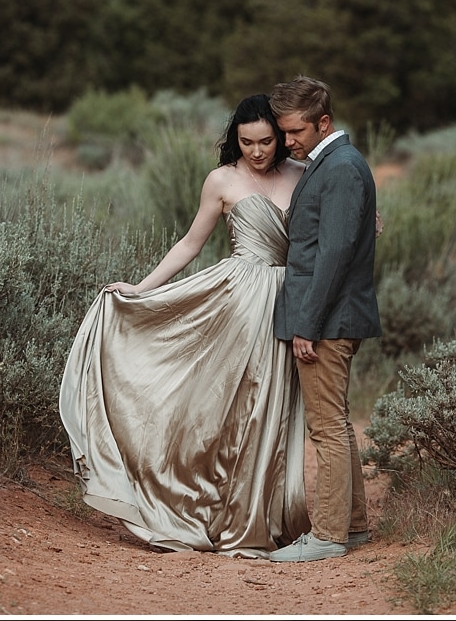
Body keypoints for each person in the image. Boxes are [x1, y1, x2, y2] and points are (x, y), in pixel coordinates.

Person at [59, 95, 309, 554]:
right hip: (236, 302)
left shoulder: (302, 173)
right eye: (246, 141)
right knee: (225, 409)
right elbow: (191, 243)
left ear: (281, 136)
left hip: (290, 299)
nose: (256, 151)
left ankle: (259, 515)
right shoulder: (222, 180)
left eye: (266, 141)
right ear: (235, 138)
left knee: (272, 407)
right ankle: (194, 501)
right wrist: (141, 288)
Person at [268, 77, 382, 564]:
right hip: (334, 317)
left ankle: (328, 535)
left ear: (324, 123)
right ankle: (352, 527)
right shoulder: (334, 163)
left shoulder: (340, 169)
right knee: (336, 421)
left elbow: (333, 255)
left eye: (295, 132)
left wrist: (306, 325)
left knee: (327, 428)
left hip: (329, 321)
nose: (287, 141)